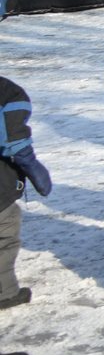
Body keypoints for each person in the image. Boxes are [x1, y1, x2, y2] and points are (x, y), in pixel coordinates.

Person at [1, 69, 51, 314]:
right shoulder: (7, 92)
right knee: (3, 238)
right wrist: (33, 167)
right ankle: (5, 293)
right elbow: (15, 140)